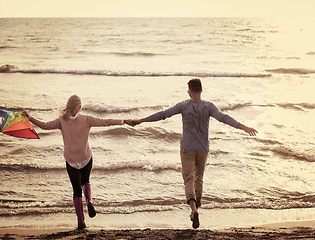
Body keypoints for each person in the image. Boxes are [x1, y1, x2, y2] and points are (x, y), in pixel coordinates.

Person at [133, 78, 257, 229]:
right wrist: (244, 127)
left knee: (188, 179)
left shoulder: (184, 105)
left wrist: (142, 120)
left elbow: (164, 114)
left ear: (189, 92)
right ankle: (196, 208)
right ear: (201, 90)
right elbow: (224, 118)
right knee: (199, 179)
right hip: (203, 149)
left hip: (187, 148)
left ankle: (193, 210)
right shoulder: (209, 106)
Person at [24, 95, 135, 230]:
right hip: (86, 158)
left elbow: (45, 126)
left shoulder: (61, 121)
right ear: (80, 107)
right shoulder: (87, 119)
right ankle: (89, 201)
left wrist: (29, 118)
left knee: (76, 191)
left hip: (71, 160)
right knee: (86, 181)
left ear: (68, 106)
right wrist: (124, 121)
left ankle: (81, 222)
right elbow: (106, 122)